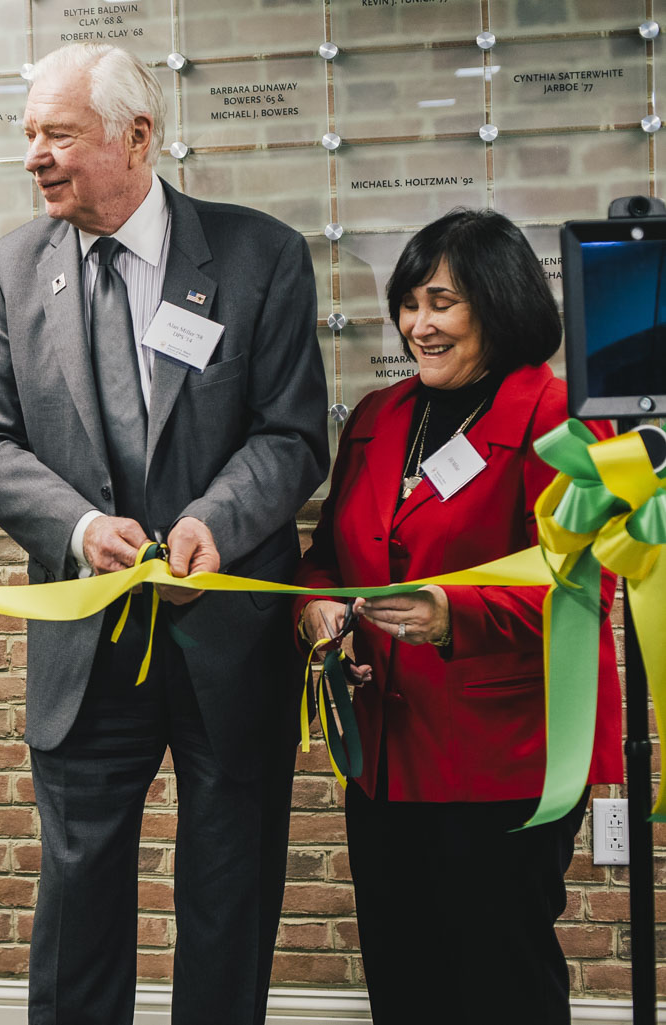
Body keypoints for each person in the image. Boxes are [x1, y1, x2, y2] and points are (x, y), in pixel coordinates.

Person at [0, 42, 328, 1025]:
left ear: (137, 138)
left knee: (226, 897)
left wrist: (212, 518)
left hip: (228, 640)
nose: (34, 155)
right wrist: (79, 528)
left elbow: (292, 438)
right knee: (76, 906)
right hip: (87, 644)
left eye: (59, 135)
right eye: (29, 133)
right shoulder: (10, 267)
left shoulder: (261, 258)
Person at [293, 208, 623, 1024]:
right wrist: (319, 609)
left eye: (441, 302)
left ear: (500, 301)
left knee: (498, 978)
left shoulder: (560, 418)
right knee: (403, 976)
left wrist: (450, 613)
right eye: (408, 303)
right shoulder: (377, 417)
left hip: (503, 757)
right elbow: (328, 556)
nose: (418, 325)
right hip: (384, 755)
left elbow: (582, 586)